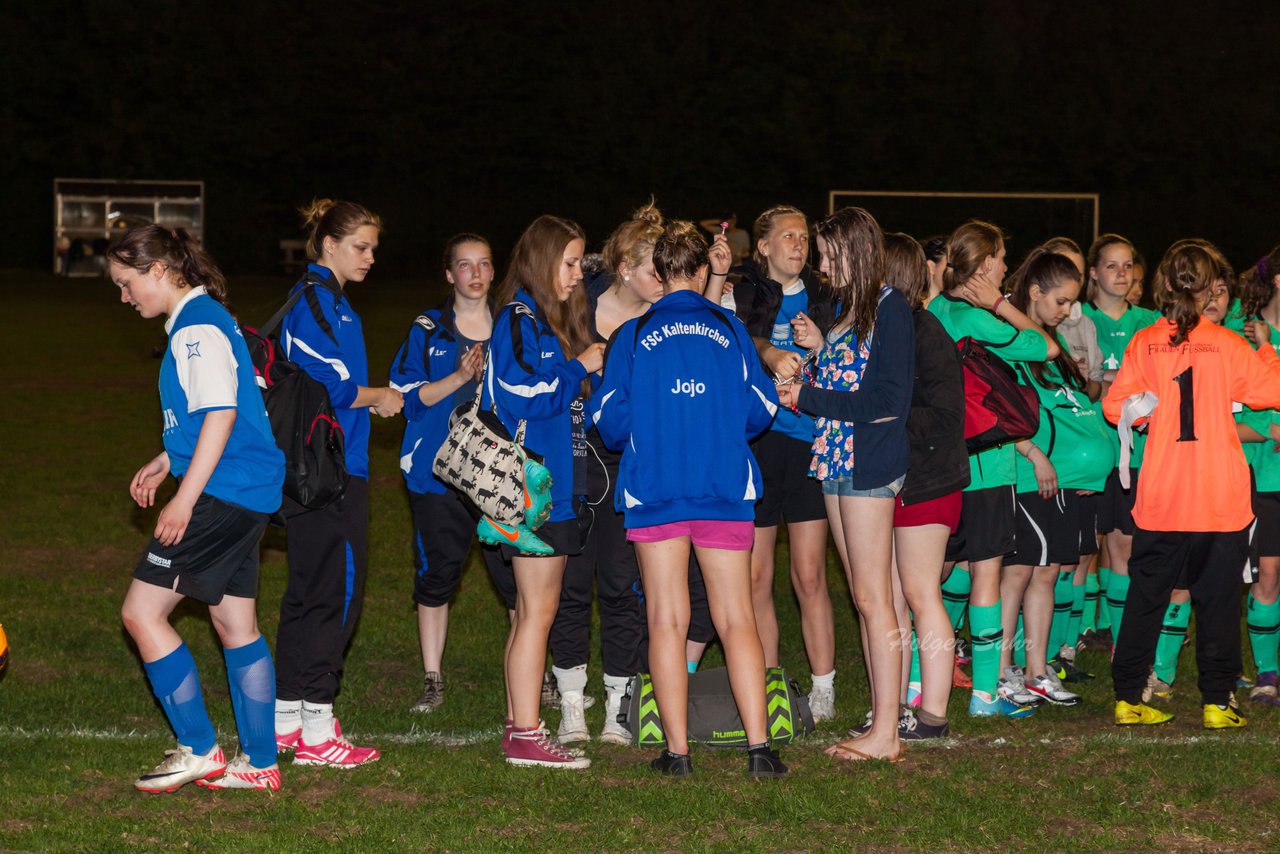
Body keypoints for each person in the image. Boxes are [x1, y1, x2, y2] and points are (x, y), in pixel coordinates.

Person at [595, 220, 787, 778]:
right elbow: (762, 409)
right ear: (703, 270)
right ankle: (760, 751)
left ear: (658, 272)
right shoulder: (729, 330)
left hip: (656, 490)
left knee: (666, 620)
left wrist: (657, 423)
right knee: (737, 618)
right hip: (722, 487)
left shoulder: (630, 336)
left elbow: (609, 420)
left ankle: (676, 753)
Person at [112, 225, 286, 792]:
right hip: (246, 489)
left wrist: (184, 500)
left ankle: (200, 749)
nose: (124, 296)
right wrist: (169, 458)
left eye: (127, 282)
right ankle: (260, 763)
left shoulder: (195, 328)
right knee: (235, 624)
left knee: (142, 613)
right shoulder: (203, 320)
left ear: (159, 271)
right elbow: (216, 408)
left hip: (223, 493)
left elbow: (221, 416)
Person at [1106, 239, 1280, 728]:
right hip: (1218, 498)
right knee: (1218, 603)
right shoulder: (1228, 344)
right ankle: (1217, 703)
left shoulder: (1144, 341)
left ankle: (1127, 698)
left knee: (1146, 599)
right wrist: (1266, 349)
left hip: (1162, 495)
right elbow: (1274, 391)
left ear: (1164, 284)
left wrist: (1146, 413)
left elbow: (1115, 408)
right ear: (1208, 290)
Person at [779, 207, 913, 761]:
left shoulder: (891, 309)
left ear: (857, 252)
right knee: (866, 595)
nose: (823, 264)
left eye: (831, 255)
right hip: (835, 458)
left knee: (873, 595)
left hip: (868, 462)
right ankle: (883, 721)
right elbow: (845, 377)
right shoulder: (844, 309)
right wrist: (811, 359)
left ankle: (887, 733)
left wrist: (806, 397)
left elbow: (886, 403)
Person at [273, 200, 403, 768]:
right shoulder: (318, 304)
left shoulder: (328, 303)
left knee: (306, 592)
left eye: (373, 247)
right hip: (327, 473)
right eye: (361, 246)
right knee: (334, 593)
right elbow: (337, 387)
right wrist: (381, 398)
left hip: (315, 468)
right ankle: (318, 729)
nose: (371, 257)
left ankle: (285, 720)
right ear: (328, 244)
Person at [486, 215, 605, 769]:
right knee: (538, 613)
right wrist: (578, 365)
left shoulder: (541, 320)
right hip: (530, 490)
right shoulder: (518, 316)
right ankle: (527, 734)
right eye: (571, 262)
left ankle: (520, 725)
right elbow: (521, 393)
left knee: (532, 612)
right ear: (542, 259)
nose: (578, 274)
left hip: (551, 489)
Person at [927, 220, 1060, 718]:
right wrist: (1000, 304)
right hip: (987, 466)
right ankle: (985, 694)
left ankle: (920, 685)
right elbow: (1046, 347)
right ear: (984, 266)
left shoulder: (935, 311)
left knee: (933, 579)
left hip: (939, 466)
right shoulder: (980, 320)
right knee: (985, 576)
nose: (1007, 266)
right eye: (1002, 257)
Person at [549, 203, 664, 744]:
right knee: (571, 587)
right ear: (625, 270)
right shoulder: (574, 307)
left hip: (630, 466)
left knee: (621, 586)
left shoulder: (661, 322)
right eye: (656, 270)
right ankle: (572, 703)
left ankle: (620, 704)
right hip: (574, 463)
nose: (666, 281)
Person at [388, 233, 516, 714]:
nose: (476, 273)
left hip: (500, 475)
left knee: (516, 579)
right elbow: (406, 400)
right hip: (436, 474)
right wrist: (461, 378)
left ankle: (536, 673)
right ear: (449, 274)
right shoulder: (428, 329)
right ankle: (432, 678)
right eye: (465, 265)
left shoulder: (511, 326)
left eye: (484, 263)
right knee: (438, 574)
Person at [730, 204, 839, 721]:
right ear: (765, 246)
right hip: (756, 444)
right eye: (788, 236)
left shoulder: (826, 294)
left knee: (810, 574)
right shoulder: (744, 290)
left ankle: (823, 686)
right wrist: (769, 354)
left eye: (804, 236)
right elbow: (729, 339)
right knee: (756, 578)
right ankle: (771, 682)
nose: (799, 244)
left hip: (808, 443)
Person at [1000, 249, 1116, 707]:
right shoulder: (1014, 341)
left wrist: (1087, 466)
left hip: (1066, 485)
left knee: (1047, 576)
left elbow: (1075, 409)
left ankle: (1035, 669)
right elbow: (999, 413)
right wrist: (1035, 455)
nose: (1069, 312)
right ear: (1034, 293)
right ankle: (1003, 668)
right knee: (1018, 576)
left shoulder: (1049, 347)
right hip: (1034, 482)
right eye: (1062, 302)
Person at [880, 233, 968, 740]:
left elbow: (944, 416)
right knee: (891, 595)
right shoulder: (897, 326)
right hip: (903, 477)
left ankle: (932, 712)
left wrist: (880, 421)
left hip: (929, 478)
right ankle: (892, 705)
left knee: (919, 592)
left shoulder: (921, 330)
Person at [1081, 235, 1161, 653]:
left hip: (1137, 454)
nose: (1121, 273)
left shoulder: (1151, 321)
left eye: (1127, 265)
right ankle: (1074, 634)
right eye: (1111, 266)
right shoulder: (1076, 319)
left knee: (1125, 543)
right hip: (1089, 452)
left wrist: (1107, 381)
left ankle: (1119, 636)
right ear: (1093, 273)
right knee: (1083, 548)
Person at [1223, 246, 1280, 706]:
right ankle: (1266, 672)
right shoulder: (1243, 332)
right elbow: (1228, 408)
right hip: (1262, 477)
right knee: (1268, 575)